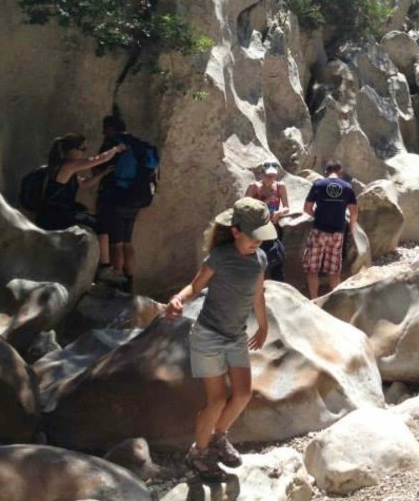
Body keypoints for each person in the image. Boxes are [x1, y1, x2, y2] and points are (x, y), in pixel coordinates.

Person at [164, 197, 274, 483]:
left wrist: (263, 325)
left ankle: (218, 437)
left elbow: (258, 294)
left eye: (262, 236)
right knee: (216, 400)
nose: (258, 242)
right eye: (254, 236)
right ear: (236, 231)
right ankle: (198, 453)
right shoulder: (220, 257)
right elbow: (195, 286)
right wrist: (178, 299)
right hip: (209, 335)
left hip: (236, 335)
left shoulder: (259, 259)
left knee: (242, 394)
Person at [36, 134, 125, 271]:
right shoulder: (68, 165)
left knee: (93, 220)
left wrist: (102, 174)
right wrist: (116, 149)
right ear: (71, 150)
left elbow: (83, 184)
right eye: (82, 148)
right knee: (101, 225)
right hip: (57, 216)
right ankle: (105, 268)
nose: (84, 152)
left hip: (53, 213)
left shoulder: (65, 168)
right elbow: (99, 159)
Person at [96, 115, 155, 293]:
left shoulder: (113, 144)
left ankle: (116, 280)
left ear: (111, 128)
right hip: (137, 198)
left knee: (116, 243)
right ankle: (129, 281)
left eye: (105, 129)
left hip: (116, 197)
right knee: (127, 242)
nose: (103, 132)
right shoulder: (139, 144)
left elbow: (98, 168)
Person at [302, 160, 358, 298]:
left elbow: (307, 208)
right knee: (334, 271)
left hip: (319, 231)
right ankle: (335, 301)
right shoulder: (347, 187)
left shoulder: (318, 184)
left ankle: (314, 300)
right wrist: (351, 229)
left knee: (312, 269)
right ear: (340, 172)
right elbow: (354, 212)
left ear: (325, 172)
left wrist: (318, 216)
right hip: (337, 234)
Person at [246, 162, 290, 282]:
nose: (271, 178)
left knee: (276, 257)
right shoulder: (254, 187)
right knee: (255, 258)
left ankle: (278, 286)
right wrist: (265, 201)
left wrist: (279, 213)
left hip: (273, 227)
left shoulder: (280, 186)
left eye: (273, 176)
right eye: (268, 175)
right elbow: (245, 207)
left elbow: (287, 207)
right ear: (262, 174)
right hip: (257, 228)